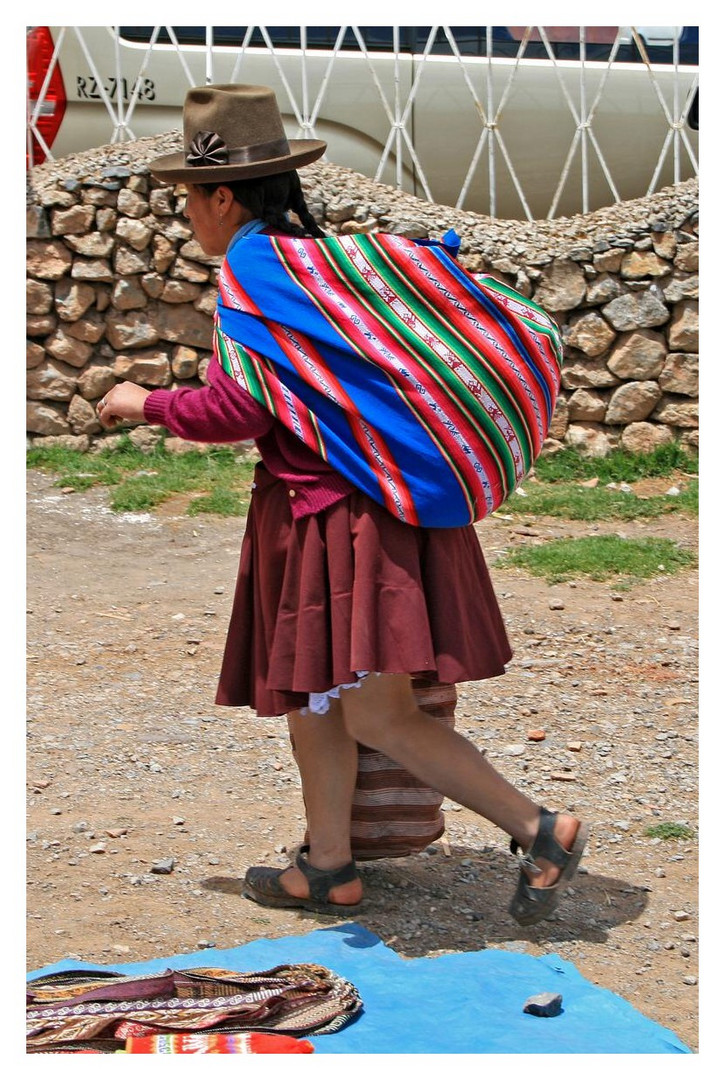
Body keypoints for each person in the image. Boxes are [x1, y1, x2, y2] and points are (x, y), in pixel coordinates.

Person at [98, 84, 588, 927]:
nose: (186, 215)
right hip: (360, 510)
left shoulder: (254, 270)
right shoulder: (311, 260)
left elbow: (240, 409)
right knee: (316, 694)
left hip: (343, 522)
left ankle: (539, 829)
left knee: (373, 709)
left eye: (188, 196)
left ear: (222, 194)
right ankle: (326, 866)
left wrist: (140, 403)